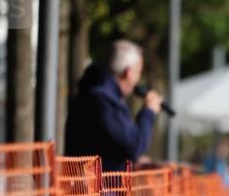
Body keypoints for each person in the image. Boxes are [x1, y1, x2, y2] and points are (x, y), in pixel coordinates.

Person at [64, 40, 162, 172]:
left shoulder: (95, 92)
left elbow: (110, 145)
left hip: (94, 186)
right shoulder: (103, 99)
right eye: (139, 72)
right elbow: (133, 146)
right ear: (128, 72)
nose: (139, 79)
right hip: (96, 189)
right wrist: (148, 112)